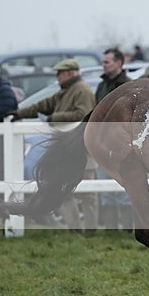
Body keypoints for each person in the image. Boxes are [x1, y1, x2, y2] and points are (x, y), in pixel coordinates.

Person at [15, 59, 98, 232]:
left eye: (59, 73)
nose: (57, 77)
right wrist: (19, 113)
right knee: (65, 192)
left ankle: (90, 230)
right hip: (69, 150)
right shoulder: (65, 92)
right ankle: (75, 229)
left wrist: (54, 118)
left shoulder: (82, 91)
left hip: (81, 150)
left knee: (88, 193)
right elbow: (42, 105)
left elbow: (82, 114)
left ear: (70, 73)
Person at [94, 48, 133, 229]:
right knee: (106, 188)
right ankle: (110, 228)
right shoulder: (102, 86)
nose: (103, 65)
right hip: (102, 142)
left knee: (124, 188)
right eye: (103, 62)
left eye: (107, 62)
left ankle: (127, 228)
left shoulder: (127, 86)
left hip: (120, 142)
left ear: (118, 63)